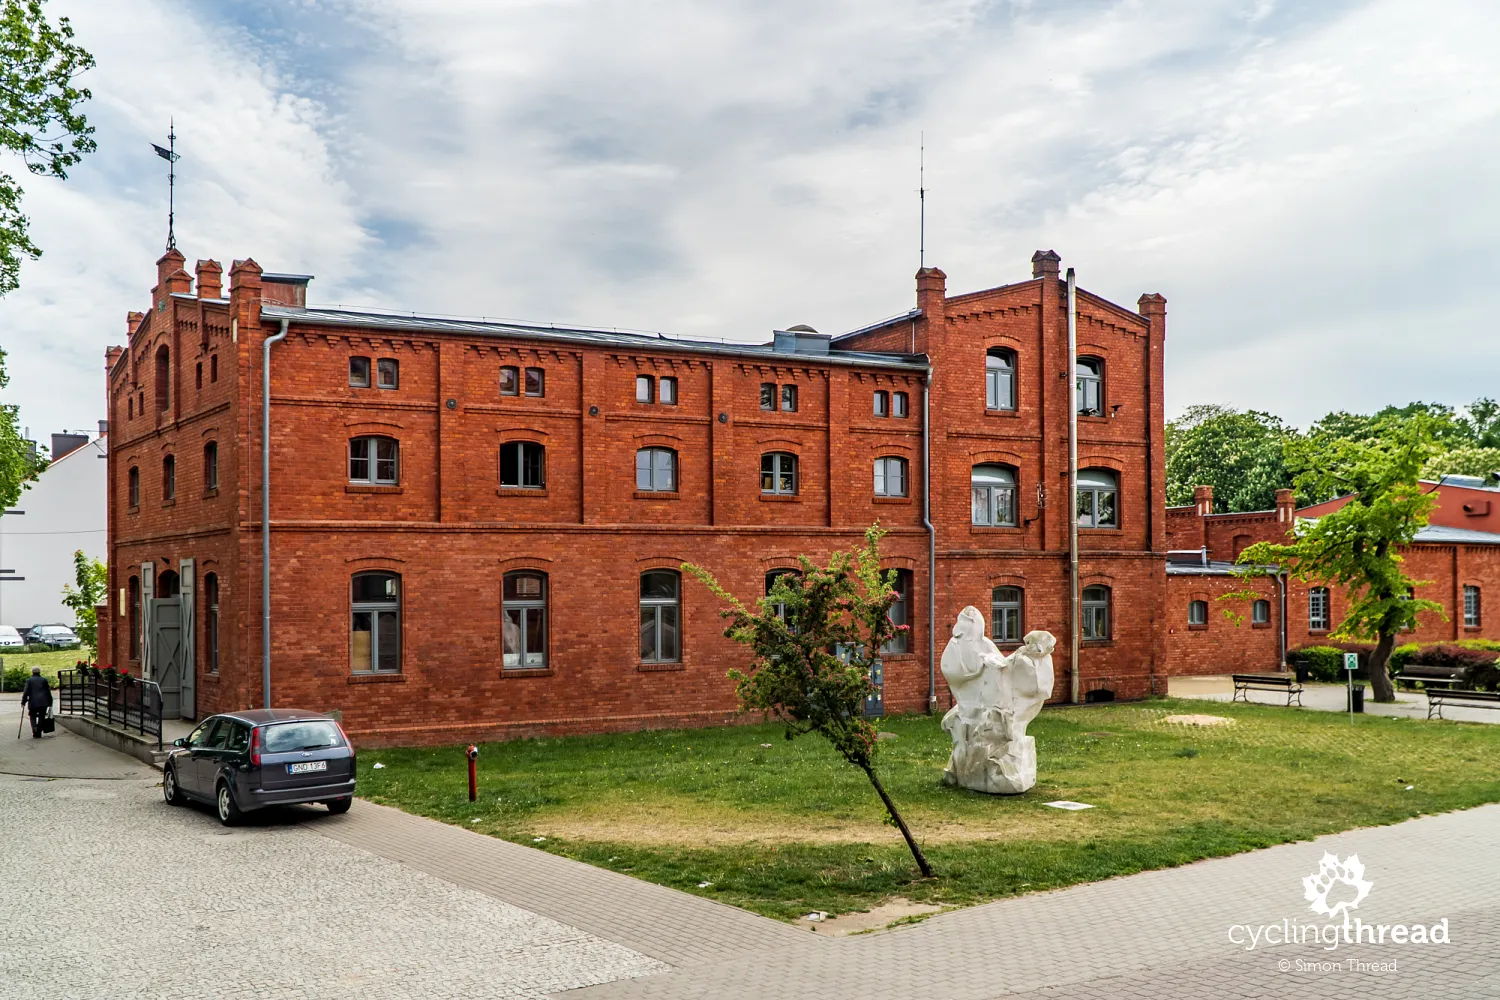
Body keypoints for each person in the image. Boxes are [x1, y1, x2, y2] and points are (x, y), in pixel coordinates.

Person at [20, 666, 52, 739]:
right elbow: (48, 691)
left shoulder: (29, 680)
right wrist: (50, 702)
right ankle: (39, 731)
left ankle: (34, 728)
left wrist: (23, 702)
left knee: (32, 715)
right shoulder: (44, 680)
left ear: (32, 672)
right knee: (42, 716)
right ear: (39, 672)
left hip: (33, 702)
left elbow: (26, 692)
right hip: (43, 702)